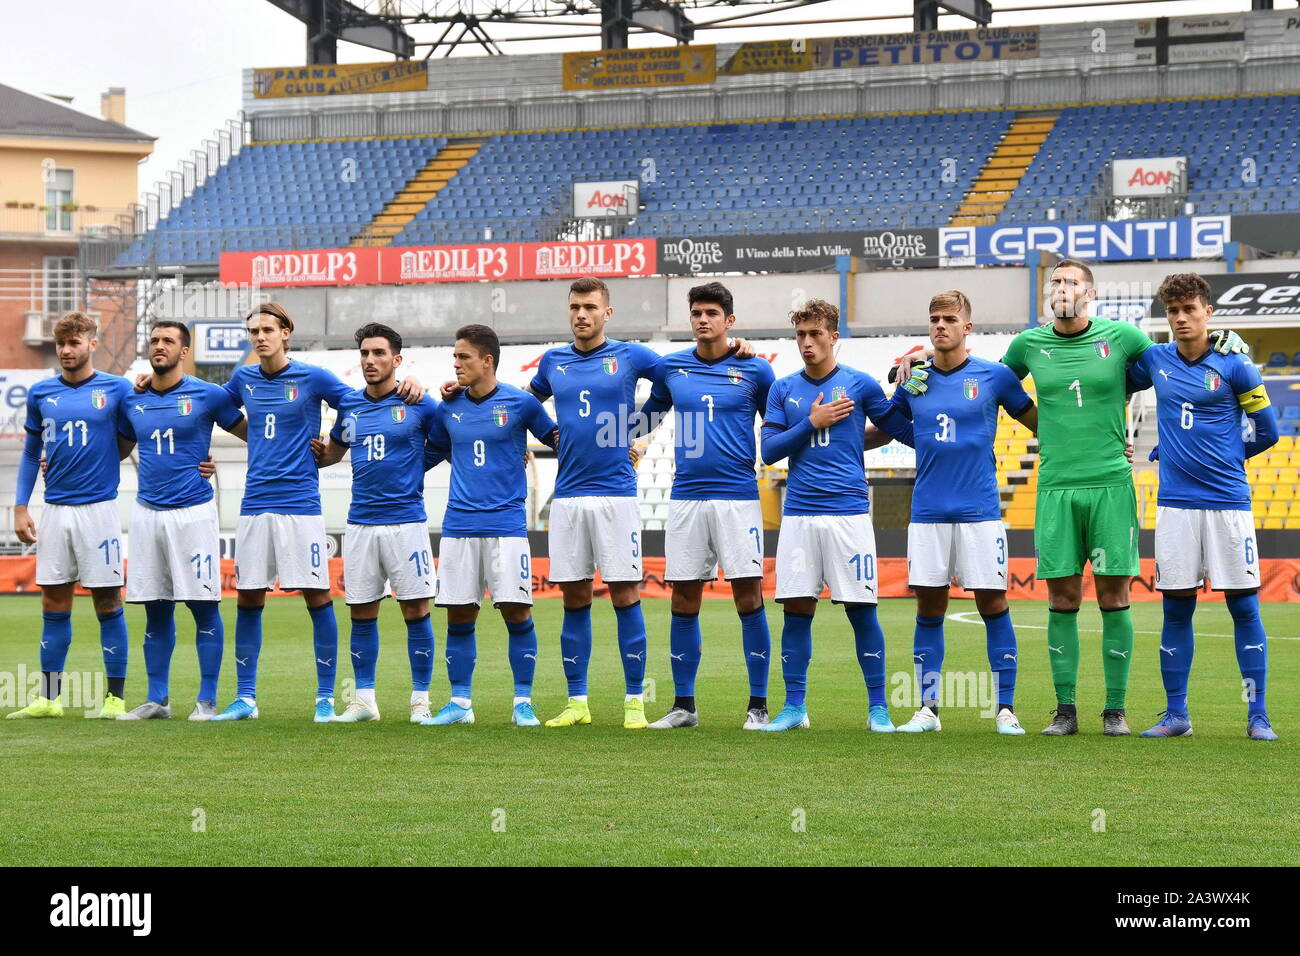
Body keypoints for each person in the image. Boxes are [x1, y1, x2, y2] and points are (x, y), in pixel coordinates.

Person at [898, 258, 1247, 736]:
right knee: (1061, 598)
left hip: (1110, 484)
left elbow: (1178, 358)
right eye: (1055, 281)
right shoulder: (1028, 344)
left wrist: (1226, 343)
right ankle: (1065, 710)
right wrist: (919, 368)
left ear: (1090, 293)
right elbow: (978, 385)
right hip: (1056, 486)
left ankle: (1115, 710)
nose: (1061, 288)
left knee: (1114, 596)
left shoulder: (1123, 338)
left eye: (1071, 281)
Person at [207, 303, 423, 722]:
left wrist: (410, 383)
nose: (260, 337)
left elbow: (359, 403)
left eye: (268, 329)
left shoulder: (313, 377)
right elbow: (212, 406)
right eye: (253, 331)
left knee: (318, 596)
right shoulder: (244, 378)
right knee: (248, 597)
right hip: (253, 504)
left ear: (286, 332)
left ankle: (326, 697)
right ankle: (246, 699)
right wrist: (250, 435)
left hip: (301, 504)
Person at [1127, 272, 1280, 741]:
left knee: (1245, 609)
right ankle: (1177, 716)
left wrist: (1227, 456)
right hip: (1175, 506)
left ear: (1207, 312)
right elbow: (1104, 379)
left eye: (1189, 309)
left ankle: (1258, 717)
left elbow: (1268, 430)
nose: (1179, 318)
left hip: (1228, 503)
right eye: (1172, 311)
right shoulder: (1154, 360)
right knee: (1176, 609)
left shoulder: (1237, 365)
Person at [758, 299, 914, 732]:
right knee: (796, 610)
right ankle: (794, 708)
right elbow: (769, 452)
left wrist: (909, 391)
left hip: (848, 513)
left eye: (815, 335)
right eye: (800, 336)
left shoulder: (860, 385)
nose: (807, 343)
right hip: (801, 514)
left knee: (862, 610)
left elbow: (899, 429)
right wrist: (812, 421)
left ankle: (879, 709)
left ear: (833, 337)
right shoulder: (782, 388)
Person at [888, 291, 1036, 736]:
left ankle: (1005, 710)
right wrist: (901, 391)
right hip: (929, 512)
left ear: (967, 327)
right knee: (929, 608)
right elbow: (893, 422)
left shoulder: (995, 376)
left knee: (993, 603)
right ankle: (927, 711)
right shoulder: (914, 378)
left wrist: (1101, 441)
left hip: (980, 512)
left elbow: (1039, 422)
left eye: (949, 319)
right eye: (934, 319)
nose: (940, 326)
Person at [635, 282, 775, 730]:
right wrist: (622, 438)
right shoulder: (672, 368)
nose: (702, 319)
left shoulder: (756, 370)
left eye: (712, 312)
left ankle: (758, 706)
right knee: (684, 596)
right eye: (696, 312)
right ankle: (684, 706)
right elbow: (647, 418)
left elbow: (776, 427)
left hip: (738, 497)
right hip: (686, 497)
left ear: (729, 321)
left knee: (748, 595)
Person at [419, 324, 559, 727]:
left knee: (517, 613)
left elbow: (558, 440)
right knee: (459, 616)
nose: (456, 364)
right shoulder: (448, 407)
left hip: (506, 527)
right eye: (455, 357)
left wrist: (611, 450)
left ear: (487, 360)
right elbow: (429, 454)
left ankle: (522, 703)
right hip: (459, 526)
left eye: (463, 357)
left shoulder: (521, 404)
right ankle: (460, 703)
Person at [114, 321, 247, 720]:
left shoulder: (208, 395)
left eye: (168, 341)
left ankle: (206, 700)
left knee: (202, 603)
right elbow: (115, 450)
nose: (159, 346)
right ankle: (158, 699)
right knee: (155, 607)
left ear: (183, 351)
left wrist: (216, 463)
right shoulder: (132, 399)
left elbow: (254, 434)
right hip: (147, 512)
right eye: (154, 341)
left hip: (192, 512)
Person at [8, 312, 134, 720]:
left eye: (74, 342)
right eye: (61, 344)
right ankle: (49, 698)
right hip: (56, 509)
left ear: (92, 344)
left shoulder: (117, 390)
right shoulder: (42, 393)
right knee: (54, 598)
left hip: (99, 511)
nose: (65, 350)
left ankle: (114, 697)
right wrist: (22, 505)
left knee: (107, 598)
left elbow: (139, 435)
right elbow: (31, 454)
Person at [311, 323, 440, 723]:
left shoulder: (421, 403)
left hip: (406, 523)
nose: (370, 360)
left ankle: (421, 700)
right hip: (361, 523)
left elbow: (453, 440)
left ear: (397, 360)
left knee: (416, 610)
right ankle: (364, 699)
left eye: (379, 353)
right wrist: (318, 452)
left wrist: (416, 469)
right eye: (365, 353)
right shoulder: (349, 405)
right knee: (361, 611)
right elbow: (336, 451)